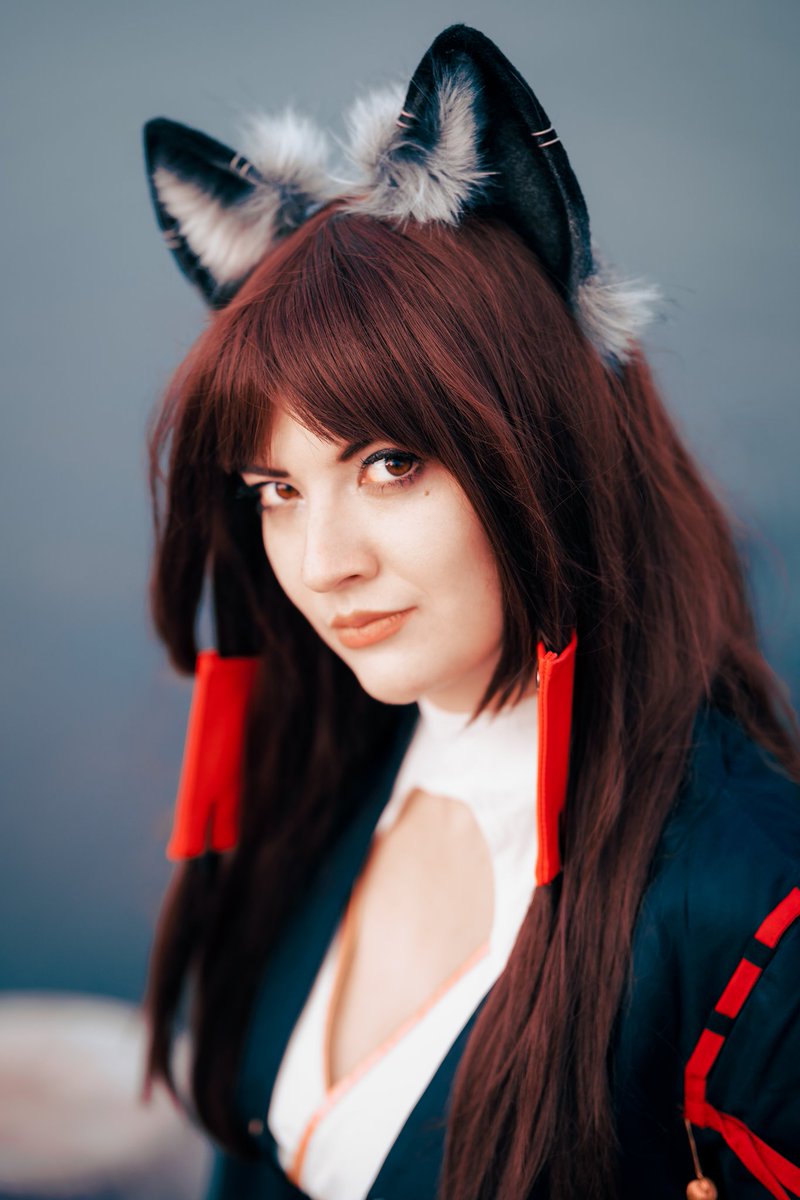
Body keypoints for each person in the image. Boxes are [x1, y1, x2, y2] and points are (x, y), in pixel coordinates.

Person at [138, 23, 800, 1200]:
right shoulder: (323, 773)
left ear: (545, 449)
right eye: (276, 490)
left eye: (389, 464)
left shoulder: (748, 899)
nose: (322, 564)